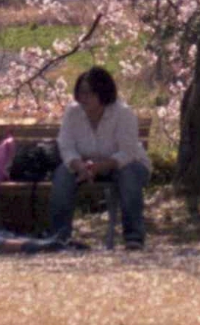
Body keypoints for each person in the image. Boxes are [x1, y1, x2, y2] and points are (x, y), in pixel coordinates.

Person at [45, 65, 150, 249]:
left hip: (124, 164)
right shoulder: (73, 112)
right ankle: (59, 237)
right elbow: (66, 145)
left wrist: (98, 167)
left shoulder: (123, 113)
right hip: (84, 166)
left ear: (103, 93)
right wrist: (80, 166)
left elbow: (127, 152)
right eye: (80, 93)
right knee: (62, 175)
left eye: (89, 93)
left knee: (128, 176)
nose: (83, 98)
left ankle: (134, 237)